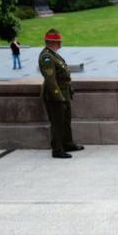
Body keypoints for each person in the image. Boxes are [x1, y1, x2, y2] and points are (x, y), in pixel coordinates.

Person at [38, 29, 82, 159]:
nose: (60, 44)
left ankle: (67, 143)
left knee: (66, 120)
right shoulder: (46, 57)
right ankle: (57, 149)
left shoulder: (54, 55)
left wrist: (67, 92)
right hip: (55, 96)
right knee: (57, 122)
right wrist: (59, 96)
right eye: (58, 42)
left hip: (64, 93)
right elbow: (51, 80)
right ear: (52, 42)